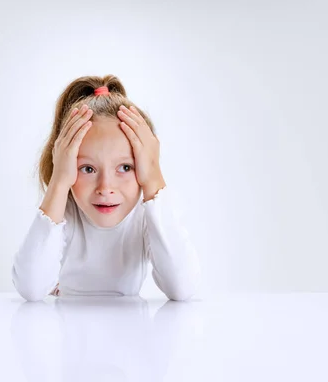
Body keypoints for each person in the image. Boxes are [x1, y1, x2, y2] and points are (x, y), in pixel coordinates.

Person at [11, 74, 202, 301]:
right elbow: (30, 289)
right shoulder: (66, 213)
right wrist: (59, 182)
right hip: (66, 329)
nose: (105, 188)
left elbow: (183, 287)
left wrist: (154, 178)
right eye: (88, 169)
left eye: (124, 167)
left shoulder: (146, 215)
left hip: (130, 331)